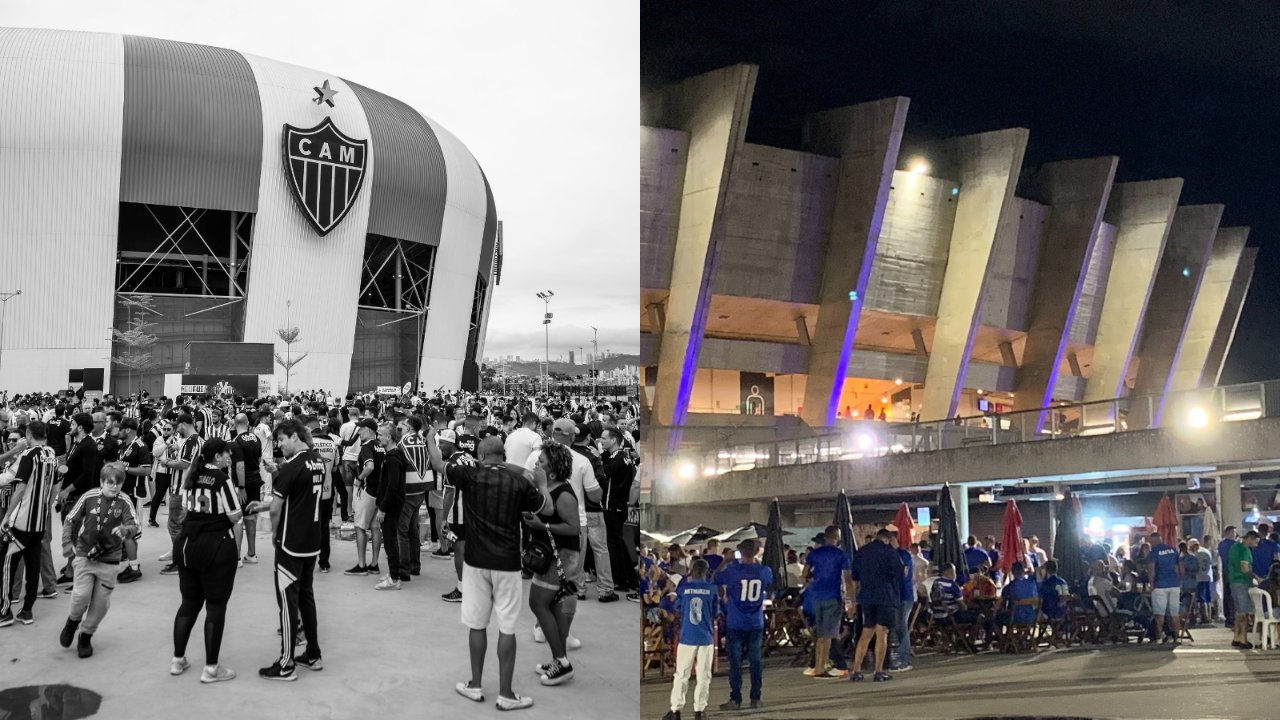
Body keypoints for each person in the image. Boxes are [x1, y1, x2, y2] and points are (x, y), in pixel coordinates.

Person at [426, 430, 551, 711]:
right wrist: (542, 484)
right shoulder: (519, 481)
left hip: (475, 560)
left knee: (477, 624)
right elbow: (546, 507)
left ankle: (475, 684)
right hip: (508, 563)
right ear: (503, 456)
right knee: (507, 627)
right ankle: (506, 694)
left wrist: (430, 436)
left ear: (481, 456)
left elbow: (436, 464)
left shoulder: (470, 476)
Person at [170, 438, 241, 683]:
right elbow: (234, 515)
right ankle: (211, 667)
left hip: (186, 543)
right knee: (215, 606)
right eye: (227, 454)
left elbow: (183, 509)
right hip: (216, 545)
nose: (230, 458)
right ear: (218, 457)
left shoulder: (192, 474)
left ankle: (178, 659)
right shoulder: (222, 479)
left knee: (188, 603)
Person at [259, 420, 325, 680]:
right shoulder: (317, 460)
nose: (279, 445)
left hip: (290, 543)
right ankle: (313, 653)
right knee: (307, 596)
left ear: (295, 436)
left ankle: (286, 663)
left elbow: (276, 507)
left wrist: (275, 533)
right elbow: (302, 496)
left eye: (282, 440)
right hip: (311, 541)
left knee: (288, 603)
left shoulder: (292, 466)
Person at [59, 463, 139, 657]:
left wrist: (125, 530)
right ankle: (73, 621)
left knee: (101, 604)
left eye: (119, 483)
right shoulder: (89, 496)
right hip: (85, 555)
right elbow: (70, 519)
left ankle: (85, 635)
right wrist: (67, 542)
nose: (115, 486)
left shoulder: (125, 501)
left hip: (110, 560)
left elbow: (134, 524)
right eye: (110, 483)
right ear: (102, 482)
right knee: (80, 595)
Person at [522, 442, 580, 685]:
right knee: (551, 607)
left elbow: (574, 527)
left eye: (542, 462)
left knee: (537, 603)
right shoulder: (548, 487)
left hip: (561, 556)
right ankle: (560, 659)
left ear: (553, 471)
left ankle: (562, 662)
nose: (537, 464)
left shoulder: (564, 494)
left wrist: (541, 526)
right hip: (550, 554)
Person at [0, 421, 58, 626]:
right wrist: (46, 507)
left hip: (21, 521)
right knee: (33, 566)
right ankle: (27, 611)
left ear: (28, 434)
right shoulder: (51, 453)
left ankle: (4, 611)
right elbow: (56, 486)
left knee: (6, 564)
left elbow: (20, 488)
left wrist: (7, 516)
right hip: (39, 521)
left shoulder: (29, 455)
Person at [716, 538, 771, 712]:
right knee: (755, 661)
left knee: (736, 663)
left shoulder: (733, 571)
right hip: (755, 622)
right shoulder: (764, 571)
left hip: (736, 622)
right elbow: (768, 584)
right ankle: (755, 697)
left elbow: (715, 578)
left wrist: (725, 560)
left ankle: (736, 698)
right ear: (756, 552)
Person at [664, 558, 718, 720]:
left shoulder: (684, 589)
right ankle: (700, 711)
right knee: (703, 676)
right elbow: (716, 612)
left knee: (681, 674)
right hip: (705, 637)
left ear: (692, 571)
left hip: (687, 637)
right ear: (706, 572)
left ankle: (676, 710)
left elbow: (678, 608)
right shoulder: (712, 589)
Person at [848, 529, 902, 683]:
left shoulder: (862, 552)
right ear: (889, 539)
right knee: (882, 633)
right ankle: (878, 670)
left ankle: (856, 670)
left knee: (866, 633)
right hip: (886, 596)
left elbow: (855, 576)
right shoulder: (890, 552)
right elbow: (899, 574)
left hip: (867, 597)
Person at [802, 526, 853, 678]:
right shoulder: (841, 554)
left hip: (817, 596)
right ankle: (821, 667)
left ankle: (817, 665)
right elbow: (847, 579)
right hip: (833, 596)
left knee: (820, 634)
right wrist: (850, 601)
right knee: (829, 635)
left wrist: (814, 580)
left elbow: (805, 574)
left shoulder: (814, 554)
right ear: (837, 537)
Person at [115, 419, 152, 583]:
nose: (118, 431)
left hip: (134, 493)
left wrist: (126, 468)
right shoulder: (123, 446)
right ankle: (127, 560)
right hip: (122, 492)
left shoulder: (140, 446)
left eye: (121, 428)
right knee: (123, 530)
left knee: (131, 532)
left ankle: (134, 567)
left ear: (128, 430)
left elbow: (147, 470)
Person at [345, 418, 383, 576]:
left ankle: (361, 565)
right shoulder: (381, 445)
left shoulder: (366, 447)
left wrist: (359, 479)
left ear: (370, 430)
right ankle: (374, 564)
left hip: (368, 491)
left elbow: (370, 466)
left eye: (361, 429)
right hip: (381, 492)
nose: (359, 431)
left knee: (360, 526)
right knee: (375, 527)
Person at [374, 421, 408, 590]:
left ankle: (394, 577)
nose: (378, 437)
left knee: (389, 541)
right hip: (392, 504)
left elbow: (392, 486)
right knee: (390, 540)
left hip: (391, 506)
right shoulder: (392, 455)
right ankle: (394, 573)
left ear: (389, 437)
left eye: (380, 434)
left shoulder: (393, 458)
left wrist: (382, 508)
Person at [396, 415, 430, 580]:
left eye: (403, 425)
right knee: (413, 530)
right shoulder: (423, 440)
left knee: (402, 531)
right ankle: (415, 566)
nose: (401, 427)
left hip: (407, 490)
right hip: (421, 489)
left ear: (409, 428)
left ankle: (404, 569)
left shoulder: (402, 443)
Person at [229, 413, 264, 566]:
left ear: (235, 424)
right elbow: (258, 460)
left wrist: (241, 487)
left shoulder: (236, 442)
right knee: (251, 518)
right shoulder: (256, 439)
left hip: (242, 485)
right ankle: (251, 554)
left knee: (237, 519)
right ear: (248, 423)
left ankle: (235, 557)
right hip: (256, 482)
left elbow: (240, 466)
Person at [1146, 531, 1184, 644]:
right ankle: (1177, 637)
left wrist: (1151, 584)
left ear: (1153, 541)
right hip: (1174, 584)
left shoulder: (1154, 552)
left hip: (1160, 586)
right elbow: (1180, 567)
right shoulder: (1173, 550)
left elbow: (1151, 569)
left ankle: (1159, 637)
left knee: (1159, 613)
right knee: (1174, 613)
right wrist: (1180, 581)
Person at [1229, 530, 1260, 649]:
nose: (1256, 545)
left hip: (1233, 582)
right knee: (1244, 613)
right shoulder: (1244, 550)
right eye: (1255, 542)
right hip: (1242, 583)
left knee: (1238, 612)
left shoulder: (1234, 547)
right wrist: (1257, 578)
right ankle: (1244, 639)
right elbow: (1245, 569)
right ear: (1250, 539)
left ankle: (1236, 638)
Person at [888, 534, 914, 672]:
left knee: (901, 626)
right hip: (896, 596)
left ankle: (903, 659)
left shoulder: (903, 555)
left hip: (904, 596)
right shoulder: (891, 555)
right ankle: (898, 658)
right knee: (896, 626)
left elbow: (905, 575)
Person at [1219, 526, 1238, 628]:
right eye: (1234, 532)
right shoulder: (1234, 545)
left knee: (1226, 595)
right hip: (1233, 574)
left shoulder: (1221, 544)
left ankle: (1228, 618)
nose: (1235, 534)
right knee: (1233, 597)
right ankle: (1233, 617)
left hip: (1224, 573)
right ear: (1230, 533)